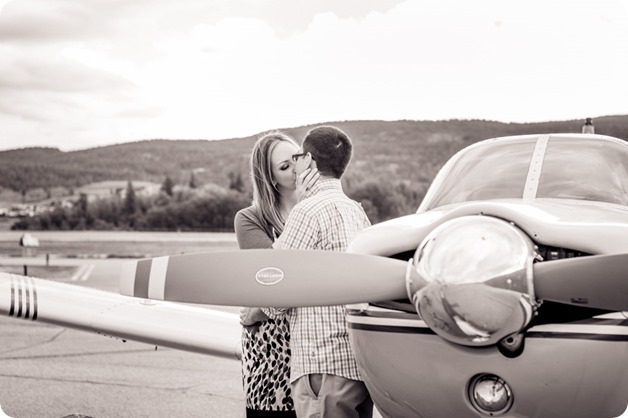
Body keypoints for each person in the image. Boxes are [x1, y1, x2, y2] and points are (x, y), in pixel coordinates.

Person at [269, 126, 374, 418]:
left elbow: (274, 290)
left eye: (298, 157)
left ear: (309, 161)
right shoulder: (357, 211)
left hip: (321, 363)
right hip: (358, 364)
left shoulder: (306, 211)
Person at [234, 131, 319, 418]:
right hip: (272, 348)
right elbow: (274, 273)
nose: (296, 168)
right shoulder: (250, 218)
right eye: (284, 167)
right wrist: (303, 210)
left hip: (314, 339)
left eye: (297, 158)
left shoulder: (324, 208)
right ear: (270, 178)